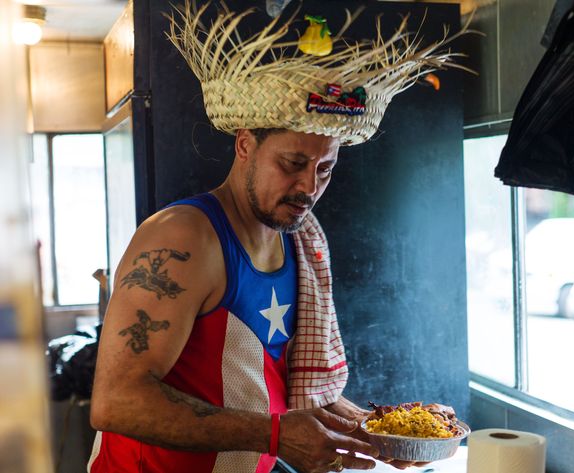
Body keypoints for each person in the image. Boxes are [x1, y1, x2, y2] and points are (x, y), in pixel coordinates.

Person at [89, 3, 469, 472]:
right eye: (292, 164)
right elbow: (117, 402)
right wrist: (275, 435)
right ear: (245, 145)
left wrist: (380, 430)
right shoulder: (184, 238)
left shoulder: (298, 240)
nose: (309, 186)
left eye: (324, 169)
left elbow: (274, 384)